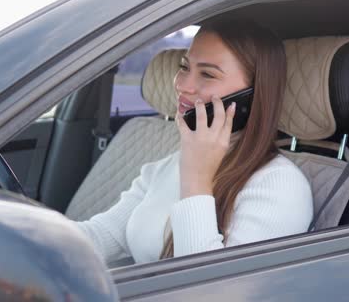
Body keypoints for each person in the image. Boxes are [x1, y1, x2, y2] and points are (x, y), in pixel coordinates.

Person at [76, 20, 313, 264]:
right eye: (184, 67)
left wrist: (197, 179)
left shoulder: (279, 185)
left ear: (252, 96)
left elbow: (209, 289)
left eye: (208, 74)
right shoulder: (167, 166)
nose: (182, 85)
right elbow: (102, 237)